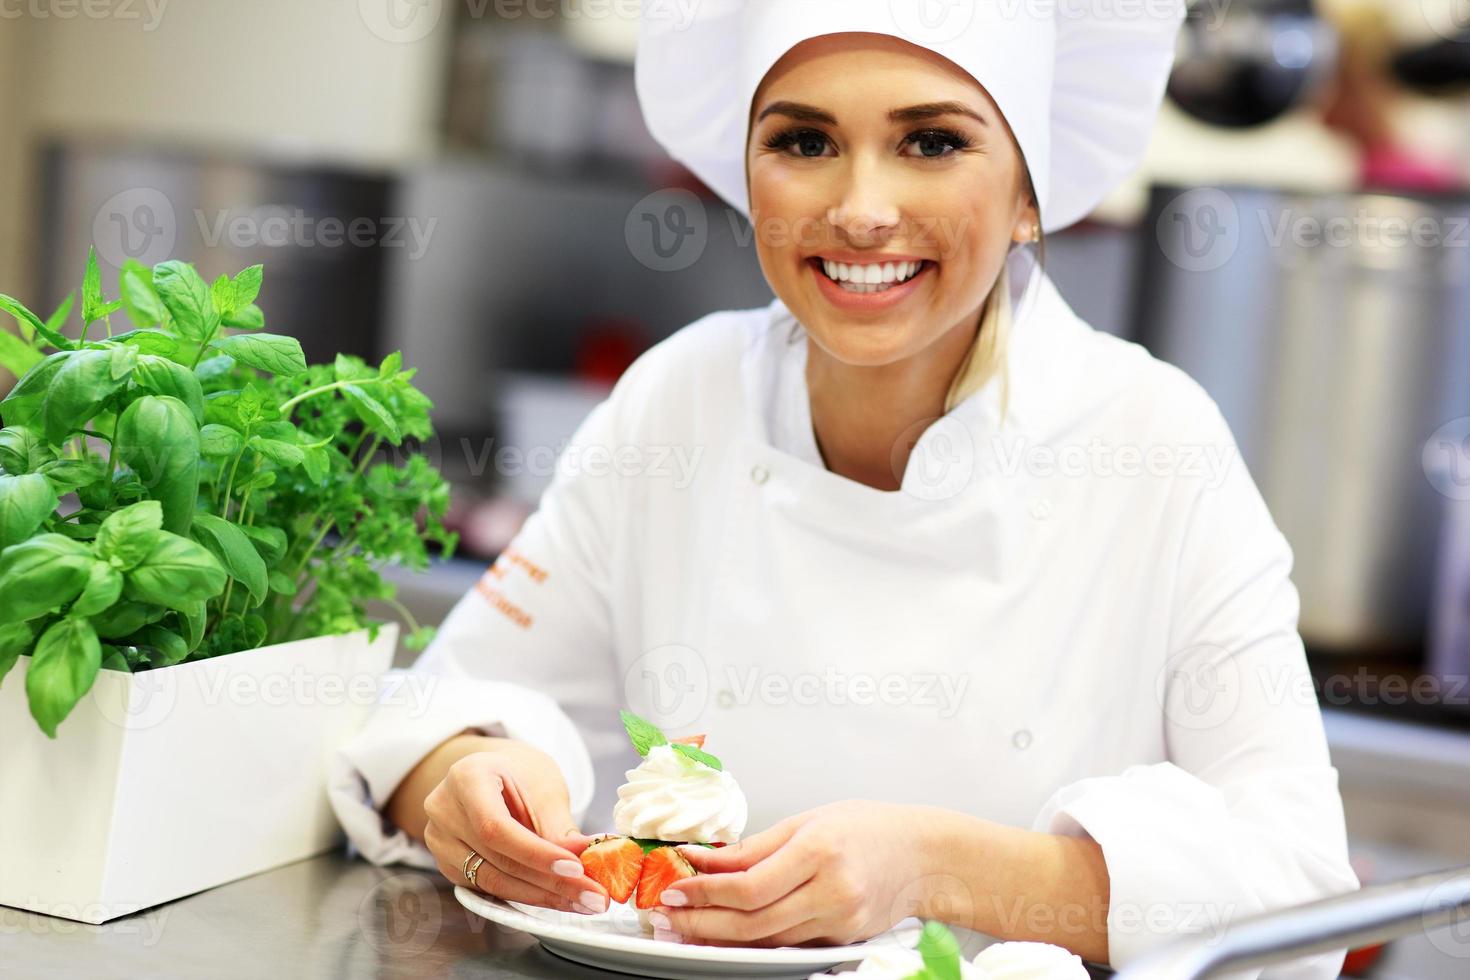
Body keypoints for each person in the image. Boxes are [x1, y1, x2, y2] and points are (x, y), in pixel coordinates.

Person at [328, 2, 1359, 976]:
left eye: (933, 141)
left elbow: (1300, 896)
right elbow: (449, 706)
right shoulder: (681, 401)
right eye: (805, 142)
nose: (862, 211)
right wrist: (460, 785)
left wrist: (933, 864)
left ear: (1030, 195)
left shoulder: (1154, 441)